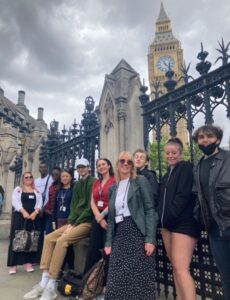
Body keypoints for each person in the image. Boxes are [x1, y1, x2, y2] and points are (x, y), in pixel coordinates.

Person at [23, 158, 94, 300]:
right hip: (74, 222)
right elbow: (74, 207)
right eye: (78, 167)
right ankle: (44, 281)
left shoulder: (93, 182)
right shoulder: (78, 184)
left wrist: (75, 223)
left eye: (83, 167)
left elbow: (89, 208)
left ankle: (52, 283)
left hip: (86, 222)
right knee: (49, 238)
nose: (81, 169)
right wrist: (71, 223)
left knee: (62, 241)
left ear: (88, 168)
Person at [104, 151, 158, 300]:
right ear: (117, 164)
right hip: (120, 234)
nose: (126, 164)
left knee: (140, 279)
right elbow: (110, 218)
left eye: (129, 162)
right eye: (122, 161)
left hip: (137, 233)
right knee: (115, 279)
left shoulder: (140, 181)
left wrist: (150, 239)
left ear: (133, 166)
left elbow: (149, 210)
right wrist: (108, 241)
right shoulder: (113, 188)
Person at [157, 137, 200, 300]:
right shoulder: (167, 174)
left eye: (174, 153)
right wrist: (162, 221)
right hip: (167, 225)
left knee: (182, 268)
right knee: (175, 267)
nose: (170, 156)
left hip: (183, 223)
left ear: (180, 153)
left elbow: (183, 196)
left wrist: (167, 217)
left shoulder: (186, 168)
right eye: (167, 153)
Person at [193, 125, 230, 300]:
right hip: (215, 229)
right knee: (225, 277)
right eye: (201, 137)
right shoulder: (198, 166)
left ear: (218, 139)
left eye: (209, 136)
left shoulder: (228, 158)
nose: (205, 140)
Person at [84, 158, 116, 290]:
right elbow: (92, 201)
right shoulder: (96, 182)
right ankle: (90, 282)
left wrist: (102, 217)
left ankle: (106, 284)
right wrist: (98, 217)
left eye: (104, 164)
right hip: (97, 218)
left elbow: (114, 200)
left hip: (110, 217)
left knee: (108, 250)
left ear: (109, 166)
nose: (101, 167)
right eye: (99, 165)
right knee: (93, 249)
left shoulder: (115, 180)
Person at [7, 172, 43, 274]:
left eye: (31, 177)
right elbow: (15, 201)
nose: (29, 179)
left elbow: (40, 202)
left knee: (30, 240)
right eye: (26, 177)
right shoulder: (18, 189)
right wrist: (23, 211)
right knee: (17, 239)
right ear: (23, 179)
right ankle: (13, 264)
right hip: (20, 217)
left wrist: (35, 212)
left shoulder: (37, 191)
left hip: (33, 218)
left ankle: (27, 262)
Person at [43, 167, 61, 234]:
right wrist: (45, 209)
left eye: (56, 174)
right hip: (50, 215)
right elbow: (49, 199)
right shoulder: (51, 186)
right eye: (53, 174)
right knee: (48, 234)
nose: (54, 176)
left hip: (58, 215)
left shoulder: (61, 186)